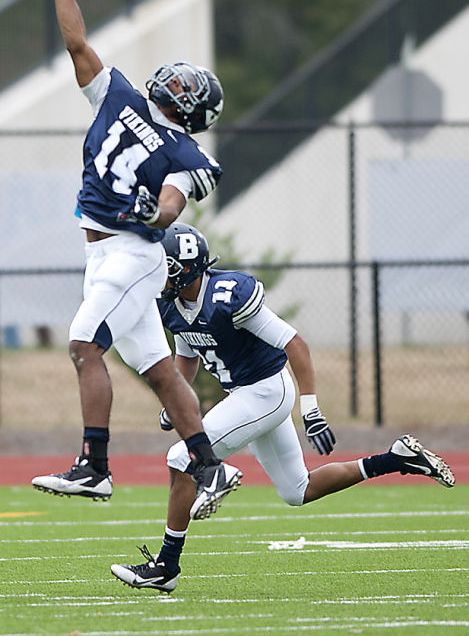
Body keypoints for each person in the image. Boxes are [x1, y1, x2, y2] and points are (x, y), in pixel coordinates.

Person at [111, 223, 455, 592]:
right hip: (246, 395)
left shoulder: (228, 295)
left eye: (168, 266)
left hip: (265, 391)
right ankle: (397, 458)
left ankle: (167, 566)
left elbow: (295, 344)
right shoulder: (172, 306)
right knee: (297, 490)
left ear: (190, 267)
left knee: (182, 458)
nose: (160, 274)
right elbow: (188, 354)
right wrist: (174, 398)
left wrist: (312, 409)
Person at [28, 0, 241, 521]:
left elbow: (174, 202)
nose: (176, 81)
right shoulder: (117, 94)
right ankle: (211, 466)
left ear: (191, 109)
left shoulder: (189, 155)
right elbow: (76, 45)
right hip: (104, 253)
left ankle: (94, 467)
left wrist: (156, 212)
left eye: (186, 87)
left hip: (131, 253)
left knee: (81, 346)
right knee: (163, 372)